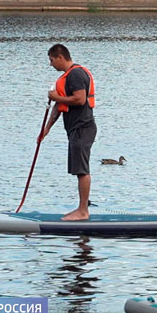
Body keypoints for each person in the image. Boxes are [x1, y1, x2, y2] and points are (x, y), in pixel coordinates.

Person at [41, 44, 97, 221]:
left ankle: (83, 211)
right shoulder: (67, 78)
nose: (51, 64)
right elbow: (60, 105)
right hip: (75, 128)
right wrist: (47, 129)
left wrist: (56, 97)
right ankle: (81, 209)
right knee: (78, 169)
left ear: (60, 57)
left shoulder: (75, 74)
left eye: (51, 60)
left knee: (82, 170)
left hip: (83, 127)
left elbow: (79, 100)